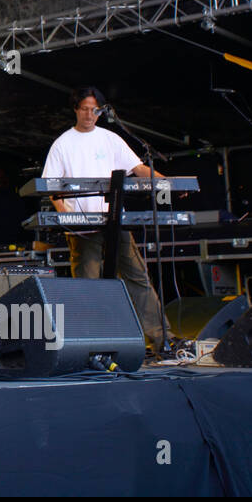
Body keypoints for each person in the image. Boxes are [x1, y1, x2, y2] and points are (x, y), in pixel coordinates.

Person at [41, 86, 181, 355]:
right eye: (84, 108)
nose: (89, 114)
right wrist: (65, 213)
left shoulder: (111, 139)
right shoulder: (63, 143)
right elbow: (50, 186)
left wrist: (166, 181)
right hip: (82, 227)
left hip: (113, 219)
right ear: (75, 109)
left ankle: (162, 339)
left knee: (137, 276)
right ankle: (93, 344)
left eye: (94, 109)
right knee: (88, 284)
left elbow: (137, 167)